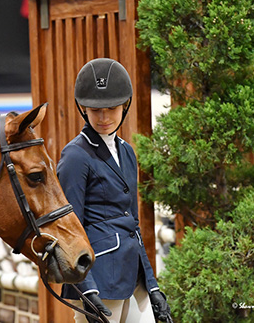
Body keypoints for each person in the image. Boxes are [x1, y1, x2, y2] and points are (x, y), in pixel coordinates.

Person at [57, 58, 171, 323]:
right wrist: (87, 289)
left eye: (111, 108)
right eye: (95, 110)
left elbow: (132, 225)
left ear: (124, 105)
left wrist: (152, 286)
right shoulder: (75, 156)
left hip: (132, 277)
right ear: (83, 108)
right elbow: (68, 229)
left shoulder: (127, 152)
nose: (104, 117)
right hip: (99, 280)